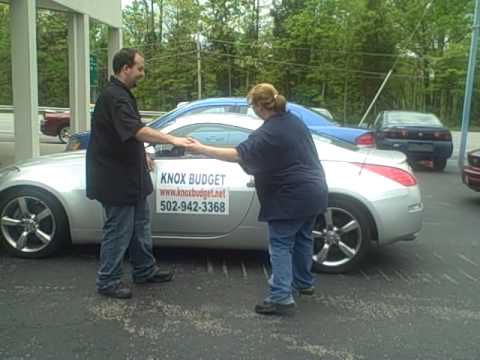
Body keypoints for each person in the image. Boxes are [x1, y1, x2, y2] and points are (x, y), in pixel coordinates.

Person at [186, 83, 328, 315]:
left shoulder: (269, 131)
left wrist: (201, 149)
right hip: (315, 191)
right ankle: (304, 283)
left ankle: (281, 297)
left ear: (261, 106)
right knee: (303, 239)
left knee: (281, 245)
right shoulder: (293, 121)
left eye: (252, 104)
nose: (252, 108)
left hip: (291, 196)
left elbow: (237, 154)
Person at [86, 48, 192, 299]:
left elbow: (124, 135)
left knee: (140, 226)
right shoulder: (115, 97)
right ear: (126, 69)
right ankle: (108, 280)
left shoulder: (122, 94)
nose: (142, 73)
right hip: (115, 179)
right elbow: (136, 130)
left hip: (131, 176)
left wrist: (142, 153)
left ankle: (144, 270)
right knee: (119, 229)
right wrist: (173, 139)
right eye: (140, 68)